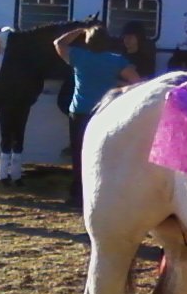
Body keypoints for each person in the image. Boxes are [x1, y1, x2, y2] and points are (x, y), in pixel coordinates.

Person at [55, 25, 140, 205]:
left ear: (87, 41)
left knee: (79, 153)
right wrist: (116, 83)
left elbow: (58, 42)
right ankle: (102, 193)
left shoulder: (78, 56)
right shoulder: (116, 60)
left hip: (79, 111)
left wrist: (79, 29)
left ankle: (78, 194)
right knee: (104, 153)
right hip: (104, 112)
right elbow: (137, 82)